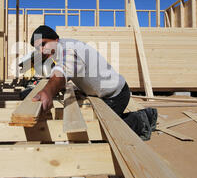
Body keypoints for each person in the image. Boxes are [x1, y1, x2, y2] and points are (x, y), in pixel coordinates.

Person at [29, 25, 157, 141]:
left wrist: (48, 91)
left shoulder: (68, 50)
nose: (41, 51)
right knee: (94, 128)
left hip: (115, 95)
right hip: (103, 94)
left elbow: (62, 70)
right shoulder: (61, 49)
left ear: (55, 39)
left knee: (100, 133)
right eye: (37, 48)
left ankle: (142, 119)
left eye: (43, 44)